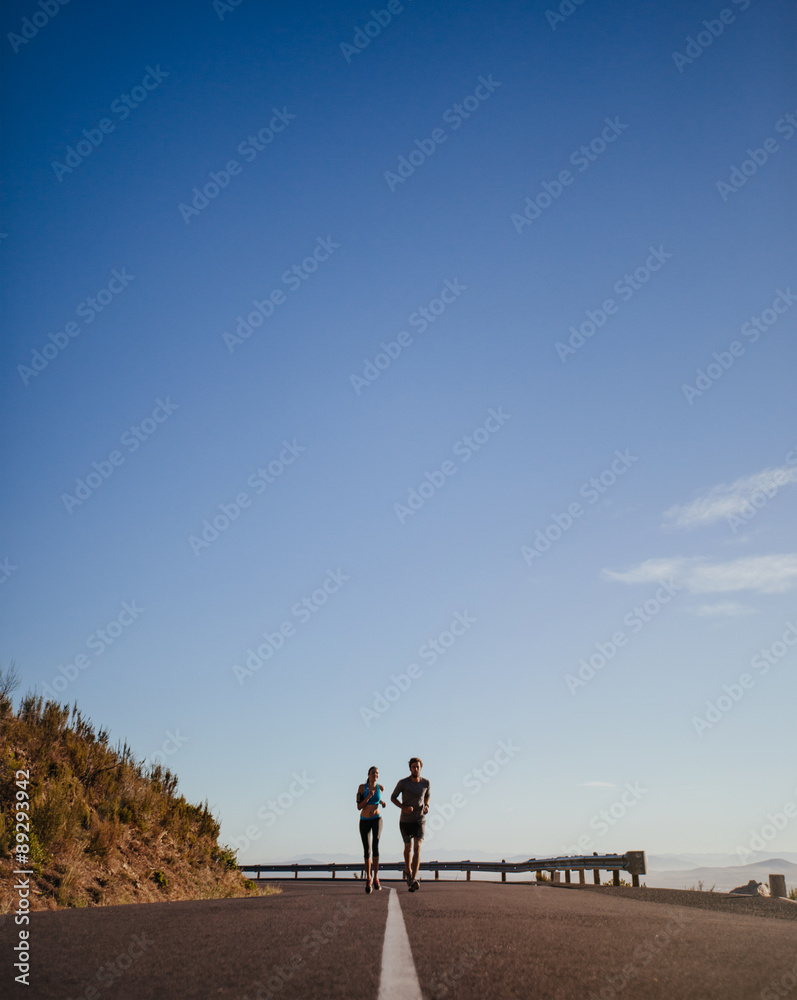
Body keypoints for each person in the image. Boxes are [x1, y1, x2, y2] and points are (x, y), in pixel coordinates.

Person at [391, 757, 430, 891]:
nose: (416, 769)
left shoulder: (426, 783)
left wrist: (427, 806)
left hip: (419, 819)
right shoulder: (403, 783)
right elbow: (392, 797)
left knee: (417, 847)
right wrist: (403, 808)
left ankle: (413, 877)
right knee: (408, 847)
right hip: (405, 821)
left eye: (418, 767)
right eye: (413, 767)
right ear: (410, 768)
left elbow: (427, 795)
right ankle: (408, 873)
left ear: (421, 768)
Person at [357, 765, 384, 893]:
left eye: (377, 773)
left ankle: (376, 877)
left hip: (377, 819)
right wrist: (368, 797)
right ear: (368, 775)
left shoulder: (380, 788)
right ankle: (368, 877)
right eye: (373, 773)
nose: (375, 775)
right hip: (364, 821)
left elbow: (377, 799)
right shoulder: (362, 788)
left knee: (376, 845)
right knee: (367, 850)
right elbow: (359, 806)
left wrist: (381, 802)